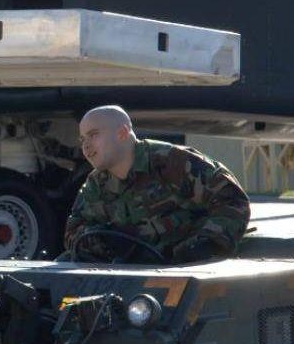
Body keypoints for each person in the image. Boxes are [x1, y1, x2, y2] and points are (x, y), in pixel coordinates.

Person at [63, 104, 250, 264]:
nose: (86, 146)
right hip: (130, 271)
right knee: (63, 265)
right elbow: (73, 232)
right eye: (82, 139)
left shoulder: (173, 162)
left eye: (93, 135)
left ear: (122, 133)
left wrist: (201, 247)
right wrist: (106, 243)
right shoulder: (96, 183)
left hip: (186, 267)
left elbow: (234, 202)